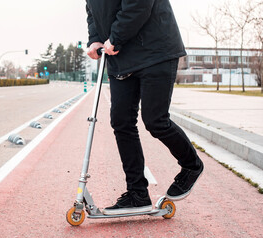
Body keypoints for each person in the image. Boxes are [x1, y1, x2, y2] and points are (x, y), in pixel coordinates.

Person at [85, 0, 204, 215]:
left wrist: (116, 37)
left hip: (154, 51)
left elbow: (139, 4)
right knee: (121, 122)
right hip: (119, 56)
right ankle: (137, 194)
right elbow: (93, 12)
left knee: (156, 120)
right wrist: (94, 39)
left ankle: (191, 165)